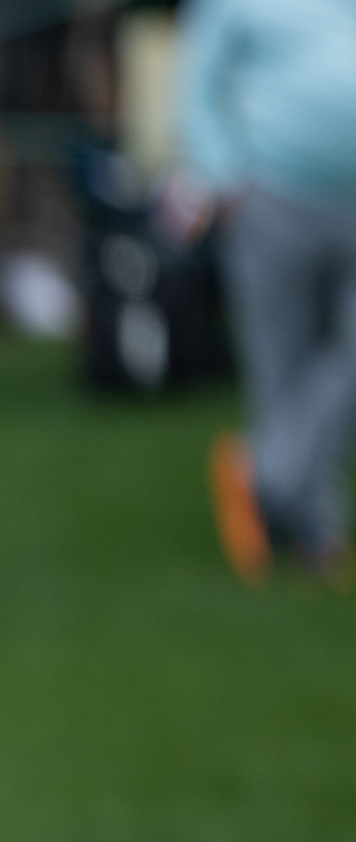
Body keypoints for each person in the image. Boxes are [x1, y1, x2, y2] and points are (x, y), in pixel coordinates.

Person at [183, 0, 356, 588]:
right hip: (274, 196)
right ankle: (314, 533)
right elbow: (199, 81)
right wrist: (221, 175)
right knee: (281, 366)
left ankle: (264, 474)